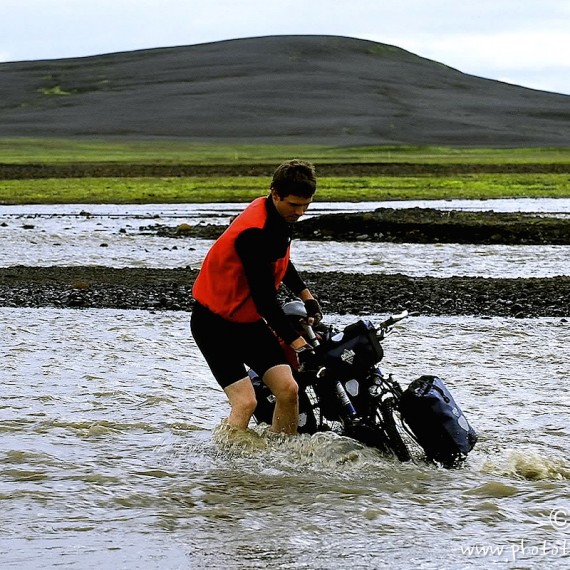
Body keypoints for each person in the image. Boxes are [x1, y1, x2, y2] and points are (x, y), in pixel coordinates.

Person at [190, 159, 322, 435]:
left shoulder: (277, 216)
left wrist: (306, 295)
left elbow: (280, 260)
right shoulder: (253, 232)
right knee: (246, 402)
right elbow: (265, 301)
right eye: (294, 205)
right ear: (275, 194)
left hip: (246, 322)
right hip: (213, 324)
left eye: (305, 205)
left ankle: (283, 456)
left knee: (288, 389)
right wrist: (298, 343)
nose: (300, 212)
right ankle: (228, 468)